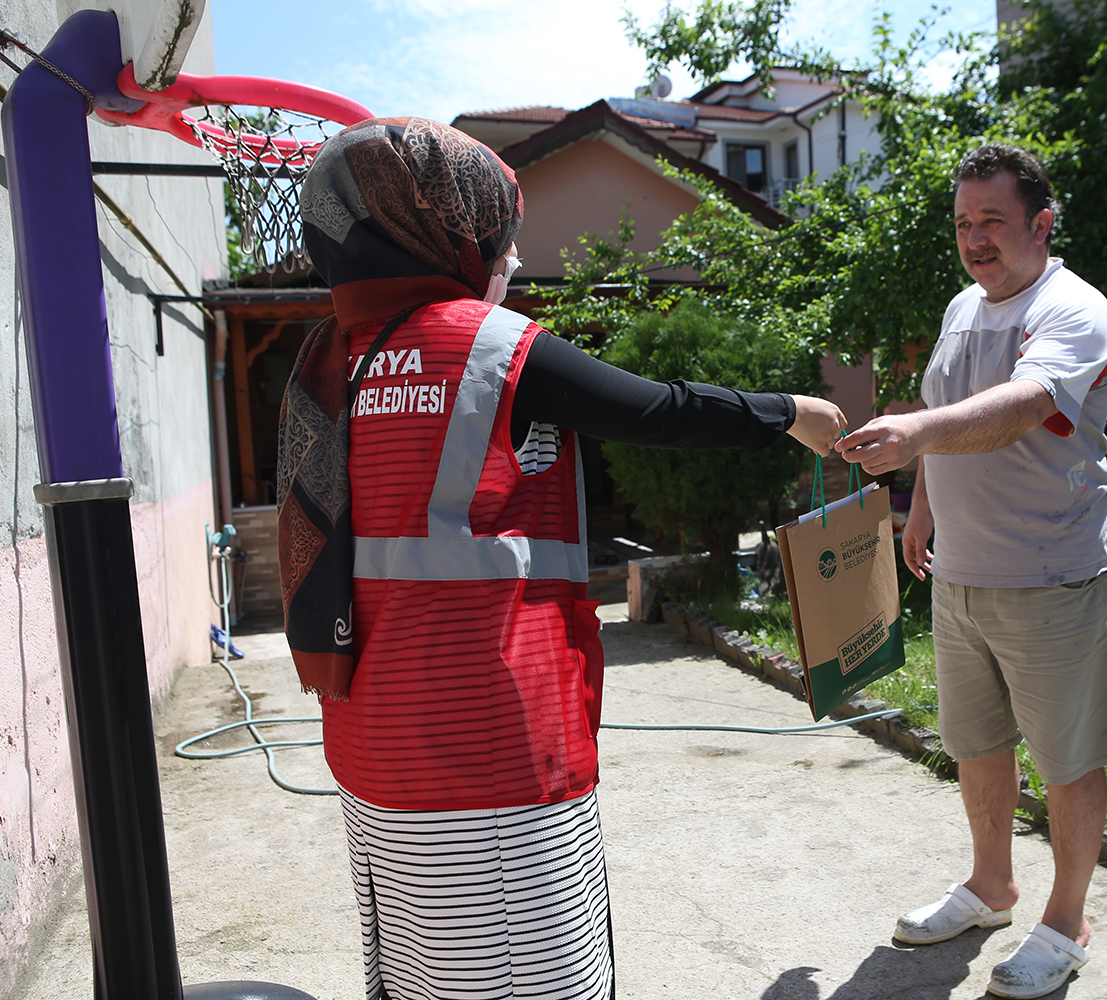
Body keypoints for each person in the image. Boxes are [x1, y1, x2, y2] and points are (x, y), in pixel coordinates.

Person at [277, 117, 845, 1000]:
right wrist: (791, 411)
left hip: (373, 737)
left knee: (425, 977)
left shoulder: (330, 359)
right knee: (530, 974)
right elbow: (657, 411)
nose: (505, 257)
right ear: (443, 234)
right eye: (499, 237)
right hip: (492, 747)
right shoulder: (491, 345)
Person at [835, 144, 1107, 1000]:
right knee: (978, 745)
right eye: (964, 223)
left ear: (1041, 225)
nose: (975, 239)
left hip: (1053, 574)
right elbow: (943, 409)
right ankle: (991, 887)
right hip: (963, 574)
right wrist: (920, 515)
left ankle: (1067, 919)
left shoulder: (1074, 309)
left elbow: (1016, 409)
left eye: (993, 222)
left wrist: (917, 438)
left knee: (1069, 756)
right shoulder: (963, 307)